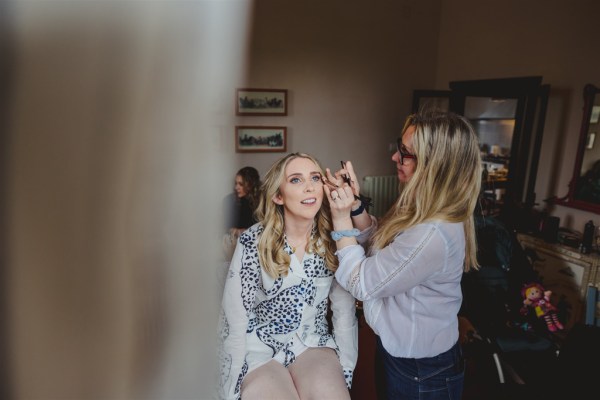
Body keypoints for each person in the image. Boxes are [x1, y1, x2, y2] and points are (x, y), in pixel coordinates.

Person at [324, 110, 482, 400]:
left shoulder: (432, 233)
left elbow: (363, 282)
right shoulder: (421, 207)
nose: (395, 158)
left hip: (421, 370)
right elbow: (387, 252)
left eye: (406, 153)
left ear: (434, 165)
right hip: (403, 352)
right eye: (400, 147)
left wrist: (341, 219)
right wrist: (357, 208)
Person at [218, 152, 358, 400]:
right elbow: (235, 317)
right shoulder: (254, 240)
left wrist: (346, 369)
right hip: (259, 346)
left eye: (315, 177)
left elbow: (344, 310)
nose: (309, 187)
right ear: (278, 195)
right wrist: (231, 386)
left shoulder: (335, 238)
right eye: (296, 180)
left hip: (312, 343)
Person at [222, 167, 261, 261]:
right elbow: (224, 225)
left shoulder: (260, 202)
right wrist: (233, 230)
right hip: (233, 239)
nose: (236, 187)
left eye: (241, 184)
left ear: (250, 185)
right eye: (236, 183)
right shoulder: (229, 200)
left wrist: (245, 230)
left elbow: (262, 225)